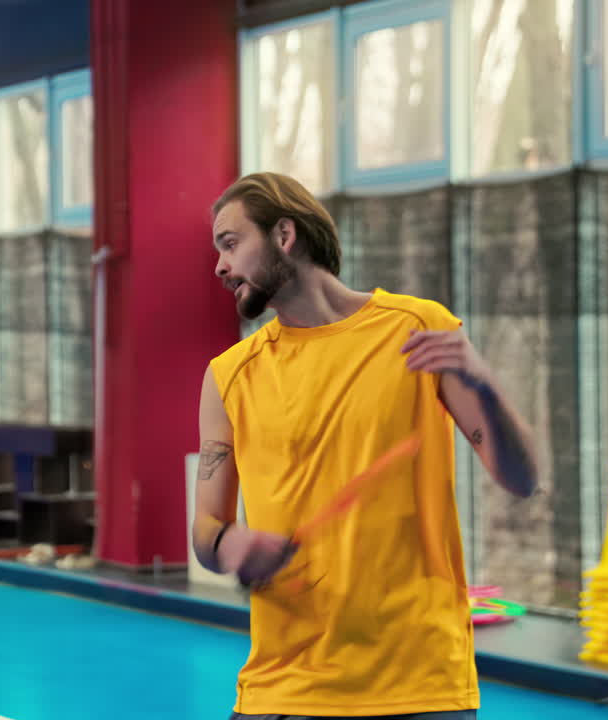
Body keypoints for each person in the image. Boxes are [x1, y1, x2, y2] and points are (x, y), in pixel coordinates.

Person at [191, 173, 540, 720]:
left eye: (231, 243)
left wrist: (484, 386)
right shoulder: (229, 376)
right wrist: (228, 544)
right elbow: (206, 529)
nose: (219, 265)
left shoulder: (419, 330)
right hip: (283, 691)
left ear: (284, 235)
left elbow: (522, 480)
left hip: (421, 688)